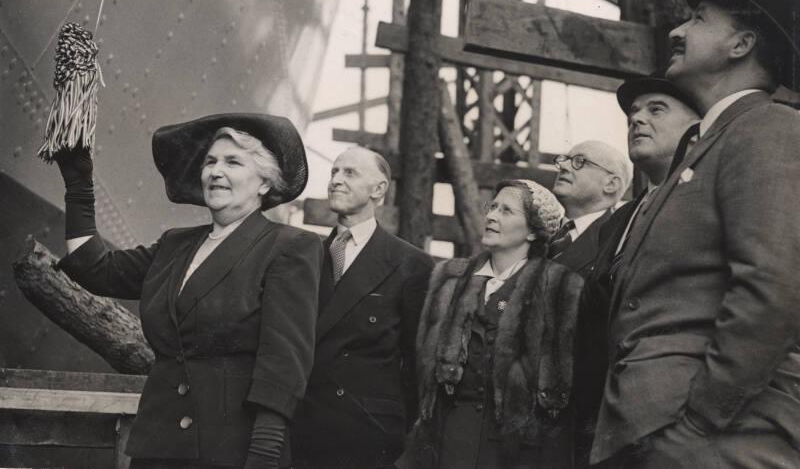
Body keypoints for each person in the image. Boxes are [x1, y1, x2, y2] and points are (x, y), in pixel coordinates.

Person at [592, 0, 800, 468]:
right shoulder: (707, 144)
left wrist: (700, 420)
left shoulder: (767, 128)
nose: (677, 31)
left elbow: (772, 289)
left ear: (742, 43)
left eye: (699, 18)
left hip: (716, 437)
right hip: (657, 428)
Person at [55, 113, 322, 468]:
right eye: (210, 161)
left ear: (263, 182)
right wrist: (78, 183)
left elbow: (284, 362)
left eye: (232, 162)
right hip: (157, 449)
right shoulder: (175, 245)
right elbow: (95, 269)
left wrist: (264, 453)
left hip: (233, 453)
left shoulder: (289, 247)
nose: (215, 171)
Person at [400, 179, 584, 469]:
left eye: (506, 211)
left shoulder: (558, 286)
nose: (492, 216)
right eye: (492, 207)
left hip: (516, 452)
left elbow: (562, 384)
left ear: (534, 231)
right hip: (448, 445)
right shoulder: (449, 278)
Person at [571, 75, 698, 467]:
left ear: (697, 128)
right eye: (632, 115)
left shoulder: (705, 203)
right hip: (610, 424)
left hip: (679, 423)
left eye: (656, 109)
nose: (637, 120)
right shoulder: (618, 220)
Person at [290, 146, 434, 469]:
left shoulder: (411, 265)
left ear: (379, 189)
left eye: (349, 173)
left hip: (369, 440)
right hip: (304, 435)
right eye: (334, 172)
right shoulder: (304, 258)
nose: (336, 180)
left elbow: (418, 367)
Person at [551, 141, 630, 277]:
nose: (563, 166)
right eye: (565, 160)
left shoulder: (619, 244)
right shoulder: (539, 231)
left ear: (611, 184)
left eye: (579, 161)